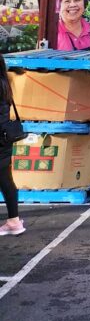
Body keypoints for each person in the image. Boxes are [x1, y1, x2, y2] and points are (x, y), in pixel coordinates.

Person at [0, 54, 24, 236]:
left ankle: (14, 222)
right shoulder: (5, 84)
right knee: (6, 180)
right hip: (5, 137)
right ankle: (14, 221)